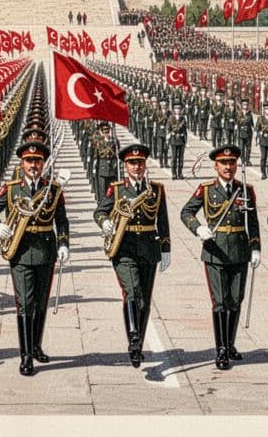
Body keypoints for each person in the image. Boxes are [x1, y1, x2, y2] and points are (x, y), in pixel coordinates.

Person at [0, 140, 70, 376]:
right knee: (25, 303)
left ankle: (36, 346)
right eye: (29, 161)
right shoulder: (12, 188)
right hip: (20, 252)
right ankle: (25, 357)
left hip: (46, 251)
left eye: (37, 161)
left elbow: (62, 220)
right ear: (22, 164)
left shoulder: (53, 189)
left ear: (43, 163)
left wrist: (63, 244)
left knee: (41, 302)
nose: (33, 165)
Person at [179, 144, 262, 371]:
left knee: (236, 299)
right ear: (215, 166)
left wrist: (256, 248)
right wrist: (198, 228)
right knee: (220, 302)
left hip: (240, 250)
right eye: (224, 163)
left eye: (232, 163)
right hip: (215, 251)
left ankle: (230, 342)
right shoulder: (206, 189)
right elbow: (186, 212)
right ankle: (221, 349)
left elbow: (253, 222)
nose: (228, 167)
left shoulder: (245, 190)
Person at [94, 143, 171, 367]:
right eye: (132, 163)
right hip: (124, 247)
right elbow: (100, 211)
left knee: (144, 300)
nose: (136, 167)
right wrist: (105, 222)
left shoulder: (156, 189)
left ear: (145, 165)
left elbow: (163, 221)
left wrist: (166, 248)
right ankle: (134, 336)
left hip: (149, 248)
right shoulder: (117, 189)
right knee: (133, 290)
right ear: (125, 166)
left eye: (140, 163)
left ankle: (137, 345)